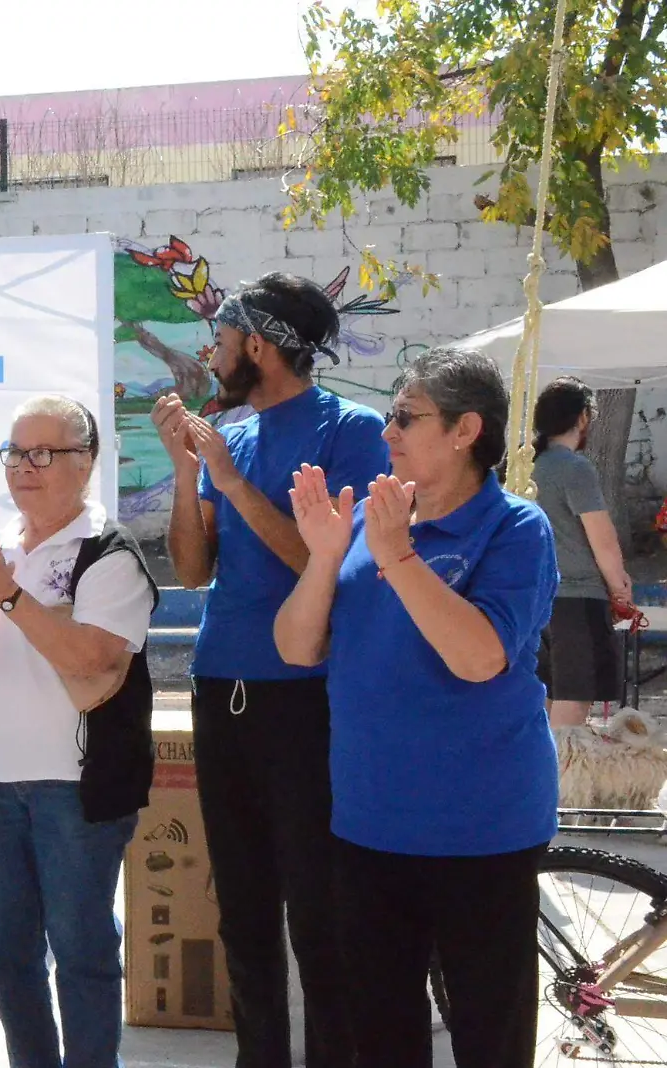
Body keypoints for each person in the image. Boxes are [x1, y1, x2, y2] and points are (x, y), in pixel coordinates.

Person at [275, 346, 558, 1067]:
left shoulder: (516, 529)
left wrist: (396, 556)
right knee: (381, 1038)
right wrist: (323, 556)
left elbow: (479, 657)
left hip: (481, 831)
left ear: (466, 430)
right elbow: (296, 649)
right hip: (370, 827)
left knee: (487, 1039)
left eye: (407, 416)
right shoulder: (370, 520)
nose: (388, 431)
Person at [147, 272, 386, 1068]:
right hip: (222, 691)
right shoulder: (231, 438)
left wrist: (234, 481)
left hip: (307, 700)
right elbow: (190, 571)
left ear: (258, 344)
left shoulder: (352, 429)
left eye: (219, 341)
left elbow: (329, 564)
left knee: (320, 918)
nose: (210, 357)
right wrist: (187, 470)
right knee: (243, 915)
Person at [0, 396, 158, 1068]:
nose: (24, 469)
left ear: (84, 462)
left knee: (82, 950)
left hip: (75, 793)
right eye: (14, 453)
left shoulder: (108, 552)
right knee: (7, 952)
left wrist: (8, 595)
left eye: (43, 454)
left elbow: (91, 659)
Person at [529, 377, 631, 726]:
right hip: (577, 599)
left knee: (543, 698)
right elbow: (602, 537)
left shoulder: (526, 466)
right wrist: (619, 588)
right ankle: (563, 780)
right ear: (583, 418)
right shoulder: (574, 468)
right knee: (573, 705)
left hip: (534, 599)